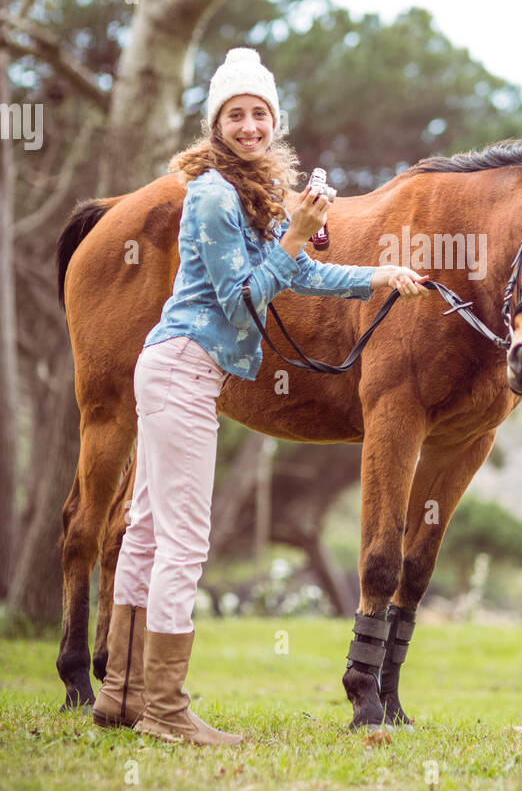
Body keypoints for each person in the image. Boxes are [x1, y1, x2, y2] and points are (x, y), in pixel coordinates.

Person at [93, 46, 428, 746]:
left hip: (179, 369)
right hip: (184, 368)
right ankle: (165, 709)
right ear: (216, 124)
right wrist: (298, 233)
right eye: (236, 114)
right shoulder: (214, 195)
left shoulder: (244, 195)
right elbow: (245, 299)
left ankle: (121, 695)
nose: (249, 125)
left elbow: (299, 275)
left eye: (260, 113)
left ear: (274, 123)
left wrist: (377, 277)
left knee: (150, 531)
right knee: (184, 542)